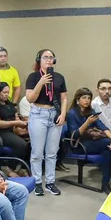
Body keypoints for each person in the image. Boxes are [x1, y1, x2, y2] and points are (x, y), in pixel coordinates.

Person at [66, 88, 111, 192]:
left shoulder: (91, 111)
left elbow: (103, 127)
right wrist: (87, 123)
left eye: (89, 98)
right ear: (77, 100)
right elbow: (74, 136)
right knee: (107, 143)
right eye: (84, 98)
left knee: (107, 152)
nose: (87, 100)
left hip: (93, 142)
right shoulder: (71, 114)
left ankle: (105, 184)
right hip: (79, 145)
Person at [25, 49, 67, 196]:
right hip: (38, 114)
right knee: (37, 152)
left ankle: (50, 182)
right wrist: (41, 83)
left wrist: (63, 114)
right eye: (45, 57)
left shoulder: (59, 77)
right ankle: (37, 182)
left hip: (54, 114)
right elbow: (30, 98)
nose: (48, 60)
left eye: (51, 58)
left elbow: (64, 98)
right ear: (39, 60)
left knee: (52, 152)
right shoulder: (33, 77)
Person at [0, 84, 30, 169]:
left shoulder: (9, 103)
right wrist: (14, 123)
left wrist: (21, 122)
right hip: (3, 131)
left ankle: (24, 167)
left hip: (14, 129)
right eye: (4, 92)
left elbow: (16, 116)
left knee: (32, 143)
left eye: (8, 92)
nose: (7, 94)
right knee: (21, 145)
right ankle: (11, 167)